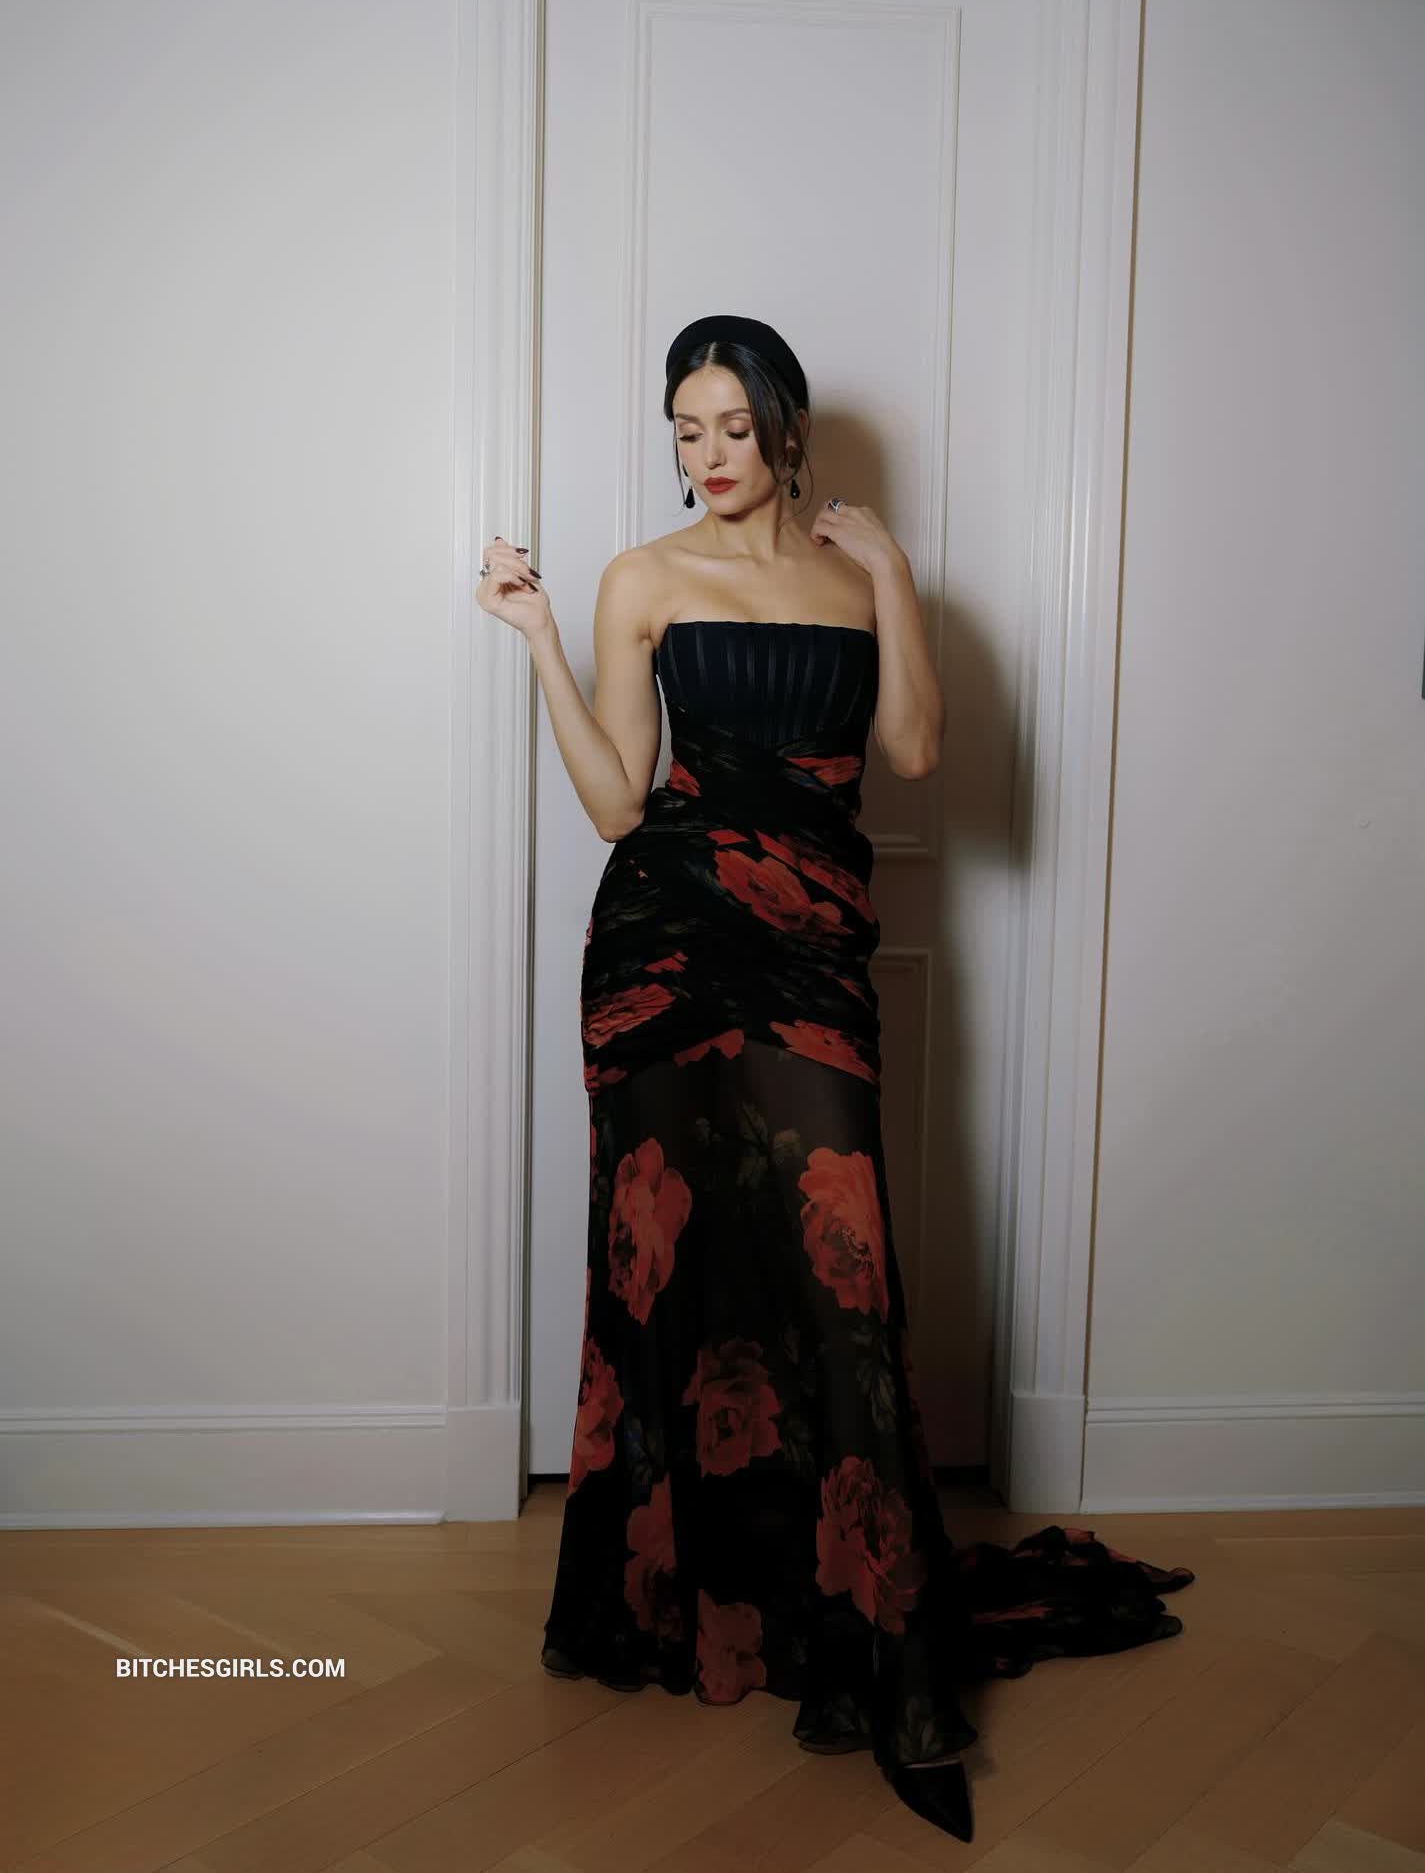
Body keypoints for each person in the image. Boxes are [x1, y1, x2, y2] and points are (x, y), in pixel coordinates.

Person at [476, 313, 1194, 1844]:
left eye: (732, 427)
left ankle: (859, 1620)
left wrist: (893, 578)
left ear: (787, 429)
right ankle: (676, 1603)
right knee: (674, 1273)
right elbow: (614, 805)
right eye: (685, 429)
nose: (707, 456)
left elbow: (916, 754)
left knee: (837, 1272)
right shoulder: (640, 577)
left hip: (812, 945)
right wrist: (537, 640)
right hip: (665, 947)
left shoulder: (856, 571)